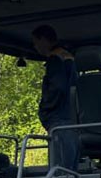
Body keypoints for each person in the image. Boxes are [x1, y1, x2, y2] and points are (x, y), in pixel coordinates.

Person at [31, 24, 80, 170]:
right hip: (72, 121)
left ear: (44, 40)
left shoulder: (55, 59)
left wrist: (45, 109)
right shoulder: (69, 58)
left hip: (59, 120)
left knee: (59, 172)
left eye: (35, 42)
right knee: (71, 170)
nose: (35, 47)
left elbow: (57, 87)